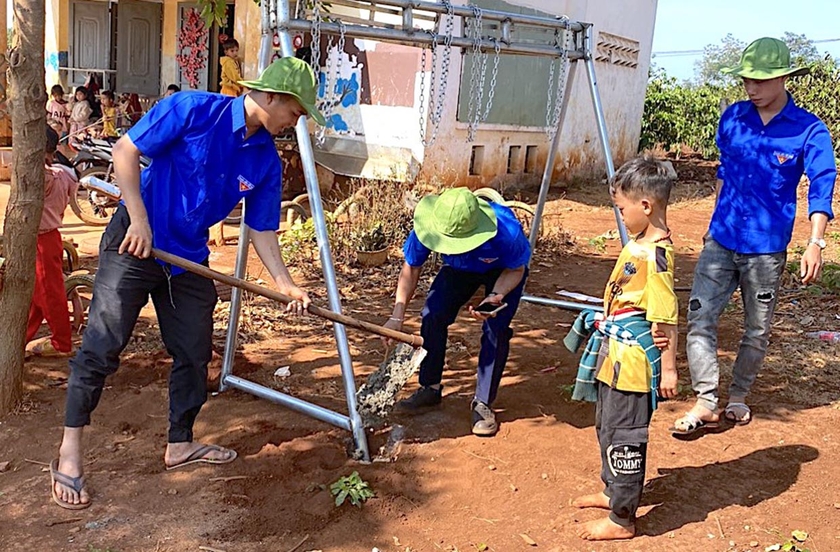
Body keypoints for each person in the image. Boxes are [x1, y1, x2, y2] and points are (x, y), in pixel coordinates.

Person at [49, 57, 327, 510]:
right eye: (297, 112)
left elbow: (262, 230)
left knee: (195, 352)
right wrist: (139, 220)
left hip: (186, 261)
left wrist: (285, 282)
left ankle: (180, 443)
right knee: (102, 346)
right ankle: (70, 451)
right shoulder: (193, 109)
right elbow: (124, 151)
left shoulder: (266, 162)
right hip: (137, 244)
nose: (298, 122)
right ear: (272, 97)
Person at [672, 37, 837, 435]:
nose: (752, 88)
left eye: (761, 81)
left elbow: (821, 185)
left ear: (782, 78)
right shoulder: (732, 118)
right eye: (747, 79)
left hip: (767, 250)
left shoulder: (809, 130)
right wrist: (713, 222)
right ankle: (707, 400)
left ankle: (738, 396)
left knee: (757, 329)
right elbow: (724, 173)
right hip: (721, 240)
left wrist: (815, 242)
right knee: (699, 319)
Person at [566, 156, 679, 541]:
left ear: (645, 206)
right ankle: (611, 489)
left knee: (626, 438)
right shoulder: (638, 243)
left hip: (633, 366)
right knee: (606, 427)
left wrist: (668, 368)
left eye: (621, 209)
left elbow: (666, 317)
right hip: (613, 358)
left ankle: (622, 518)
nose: (621, 216)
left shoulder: (658, 256)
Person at [384, 187, 531, 436]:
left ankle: (483, 403)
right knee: (433, 314)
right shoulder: (427, 226)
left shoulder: (507, 233)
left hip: (502, 272)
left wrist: (496, 296)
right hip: (459, 268)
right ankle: (429, 387)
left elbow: (516, 269)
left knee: (495, 327)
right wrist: (396, 316)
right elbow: (411, 268)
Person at [25, 126, 79, 358]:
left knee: (49, 293)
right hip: (49, 237)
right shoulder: (65, 173)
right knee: (36, 294)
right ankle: (20, 338)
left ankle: (61, 343)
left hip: (42, 240)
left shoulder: (41, 177)